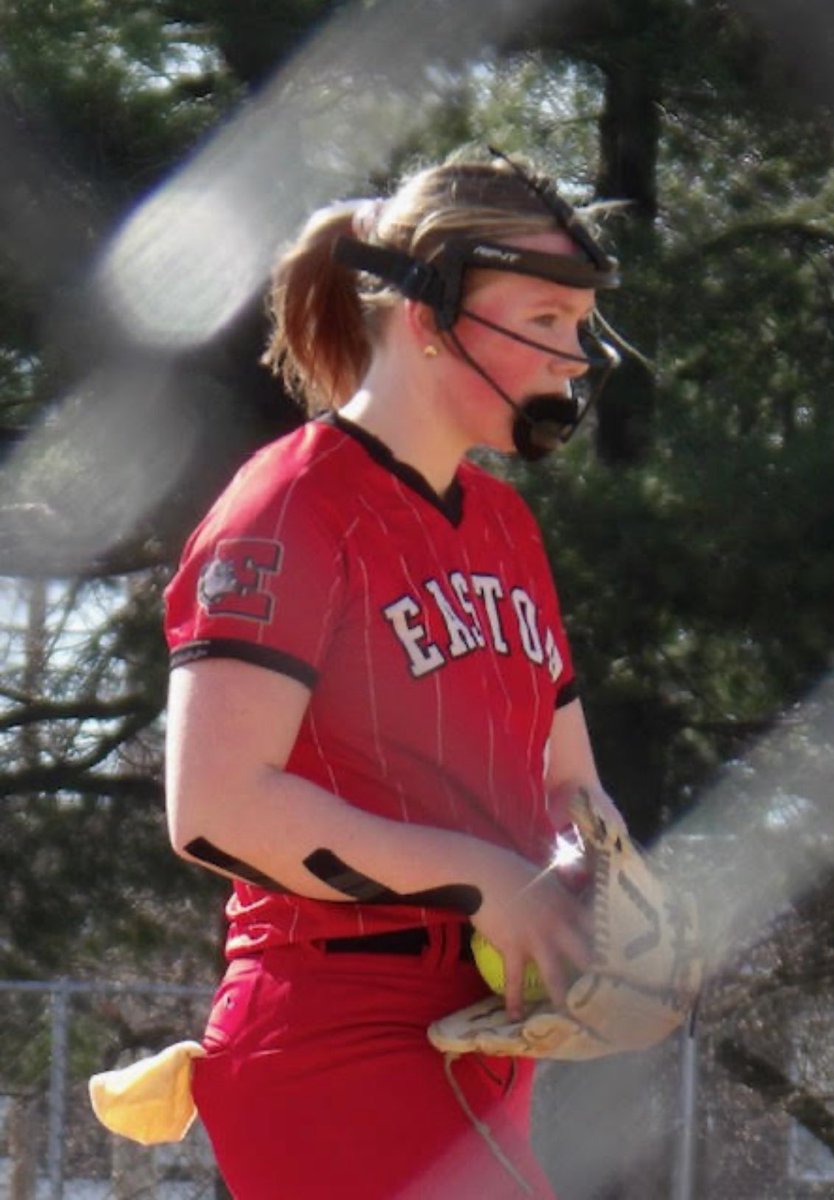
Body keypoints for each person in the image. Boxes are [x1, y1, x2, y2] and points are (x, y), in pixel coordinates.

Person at [163, 146, 628, 1199]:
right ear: (425, 320)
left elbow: (571, 787)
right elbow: (213, 807)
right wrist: (487, 877)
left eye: (577, 324)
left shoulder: (503, 525)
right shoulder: (287, 506)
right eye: (544, 321)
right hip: (331, 1033)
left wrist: (618, 898)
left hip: (478, 1030)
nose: (574, 356)